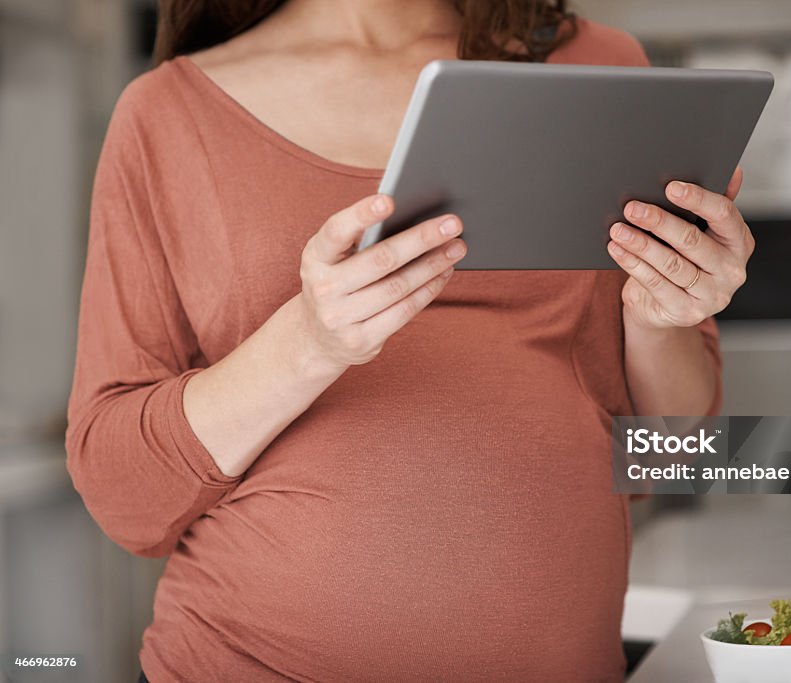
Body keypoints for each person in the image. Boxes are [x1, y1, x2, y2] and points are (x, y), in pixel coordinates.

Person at [65, 0, 754, 679]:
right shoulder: (166, 113)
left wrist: (661, 315)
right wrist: (307, 343)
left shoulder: (602, 69)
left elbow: (672, 449)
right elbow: (123, 491)